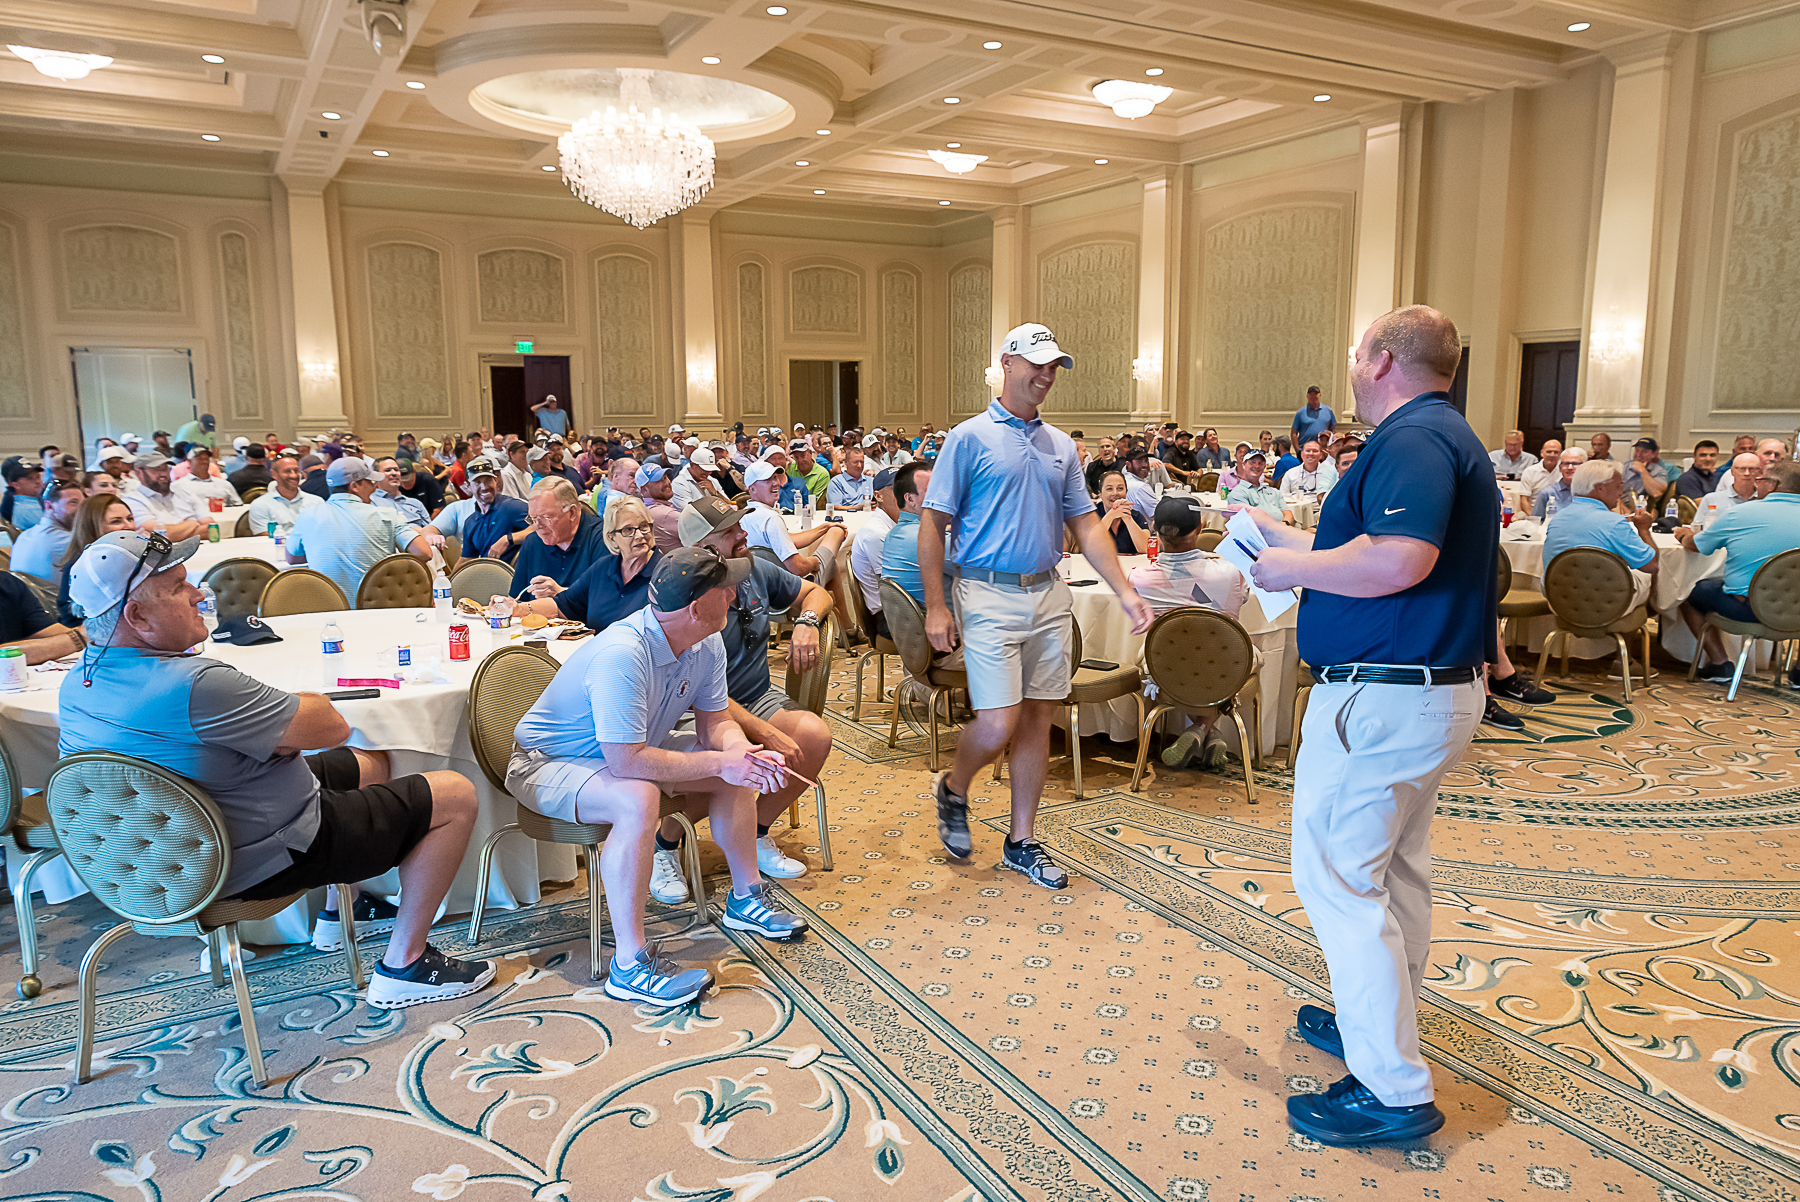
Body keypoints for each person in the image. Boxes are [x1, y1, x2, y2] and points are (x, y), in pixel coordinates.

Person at [1245, 305, 1493, 1147]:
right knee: (1395, 873)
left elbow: (1399, 558)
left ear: (1383, 360)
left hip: (1384, 696)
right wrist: (1282, 537)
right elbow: (1373, 541)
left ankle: (1391, 1087)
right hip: (1422, 689)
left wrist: (1291, 566)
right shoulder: (1441, 432)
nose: (1352, 365)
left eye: (1357, 352)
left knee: (1341, 882)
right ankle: (1376, 1022)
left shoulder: (1411, 437)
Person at [60, 530, 494, 1009]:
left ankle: (342, 911)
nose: (199, 594)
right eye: (179, 586)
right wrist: (286, 730)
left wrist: (271, 745)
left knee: (371, 761)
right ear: (137, 616)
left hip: (165, 862)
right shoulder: (196, 684)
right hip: (263, 856)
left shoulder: (78, 681)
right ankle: (405, 964)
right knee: (455, 794)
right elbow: (330, 725)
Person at [506, 547, 808, 1004]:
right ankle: (630, 965)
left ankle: (746, 898)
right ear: (695, 607)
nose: (734, 595)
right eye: (724, 589)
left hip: (626, 751)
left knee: (734, 770)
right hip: (545, 763)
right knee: (638, 797)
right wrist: (721, 762)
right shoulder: (623, 653)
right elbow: (627, 763)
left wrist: (737, 752)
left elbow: (714, 723)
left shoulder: (705, 640)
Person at [919, 322, 1153, 888]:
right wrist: (935, 605)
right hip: (986, 591)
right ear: (1007, 363)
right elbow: (932, 524)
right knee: (997, 722)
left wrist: (1125, 590)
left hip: (1048, 591)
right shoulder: (969, 438)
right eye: (1037, 365)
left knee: (1037, 720)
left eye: (1054, 368)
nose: (1046, 376)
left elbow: (1087, 525)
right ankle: (954, 786)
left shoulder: (1060, 446)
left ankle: (1021, 840)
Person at [656, 496, 836, 890]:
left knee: (813, 736)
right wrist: (764, 732)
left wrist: (806, 621)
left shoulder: (754, 568)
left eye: (740, 525)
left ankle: (756, 832)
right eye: (730, 531)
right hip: (695, 708)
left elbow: (818, 593)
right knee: (723, 762)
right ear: (702, 546)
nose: (743, 534)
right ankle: (664, 844)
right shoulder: (685, 592)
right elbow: (697, 693)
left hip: (756, 696)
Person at [1129, 495, 1253, 770]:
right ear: (1200, 527)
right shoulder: (1231, 573)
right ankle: (1206, 730)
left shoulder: (1138, 578)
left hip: (1167, 666)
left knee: (1160, 656)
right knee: (1244, 657)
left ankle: (1199, 731)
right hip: (1224, 666)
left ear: (1154, 529)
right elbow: (1245, 598)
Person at [1677, 460, 1800, 683]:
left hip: (1747, 609)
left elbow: (1698, 546)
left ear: (1773, 485)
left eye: (1760, 479)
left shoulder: (1740, 514)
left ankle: (1719, 662)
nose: (1756, 483)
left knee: (1688, 592)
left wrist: (1683, 536)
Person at [285, 457, 432, 600]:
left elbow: (292, 558)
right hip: (379, 607)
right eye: (370, 481)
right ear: (354, 486)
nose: (374, 486)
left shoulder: (308, 515)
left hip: (329, 609)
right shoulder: (386, 515)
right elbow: (424, 552)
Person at [505, 495, 662, 629]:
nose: (639, 535)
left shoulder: (665, 573)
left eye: (644, 526)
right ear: (612, 538)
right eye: (628, 530)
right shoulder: (603, 568)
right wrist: (517, 609)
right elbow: (562, 604)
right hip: (596, 650)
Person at [1543, 460, 1657, 612]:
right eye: (1618, 486)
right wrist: (1643, 529)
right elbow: (1651, 565)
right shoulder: (1614, 522)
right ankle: (1649, 620)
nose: (1620, 493)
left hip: (1560, 601)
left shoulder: (1558, 518)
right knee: (1647, 575)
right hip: (1604, 605)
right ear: (1600, 488)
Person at [737, 461, 847, 576]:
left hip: (762, 579)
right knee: (836, 531)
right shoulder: (770, 518)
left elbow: (787, 540)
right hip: (787, 582)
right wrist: (814, 562)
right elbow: (797, 568)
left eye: (775, 477)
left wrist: (824, 527)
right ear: (752, 489)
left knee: (832, 565)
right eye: (767, 480)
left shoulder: (744, 516)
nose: (776, 483)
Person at [511, 477, 609, 599]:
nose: (538, 526)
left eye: (545, 517)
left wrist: (562, 594)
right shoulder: (532, 542)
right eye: (533, 519)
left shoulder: (602, 539)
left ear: (572, 513)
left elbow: (606, 599)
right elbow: (517, 598)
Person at [424, 457, 530, 563]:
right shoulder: (470, 521)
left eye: (488, 480)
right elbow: (467, 558)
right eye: (477, 482)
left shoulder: (511, 507)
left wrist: (508, 539)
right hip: (484, 570)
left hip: (510, 571)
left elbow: (538, 528)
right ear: (467, 486)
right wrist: (454, 576)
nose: (484, 487)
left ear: (495, 481)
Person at [55, 494, 136, 625]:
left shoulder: (131, 556)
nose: (129, 526)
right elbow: (71, 615)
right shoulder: (80, 566)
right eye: (116, 521)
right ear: (92, 526)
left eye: (130, 519)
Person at [850, 468, 901, 634]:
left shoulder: (893, 525)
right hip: (889, 618)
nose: (904, 494)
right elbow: (894, 587)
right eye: (896, 489)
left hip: (898, 610)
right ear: (878, 496)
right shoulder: (876, 533)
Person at [9, 479, 83, 579]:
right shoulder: (70, 541)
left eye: (83, 504)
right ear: (49, 506)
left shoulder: (23, 536)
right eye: (73, 503)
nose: (82, 509)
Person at [124, 453, 209, 540]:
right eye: (156, 470)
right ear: (139, 473)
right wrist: (193, 523)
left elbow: (210, 526)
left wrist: (176, 533)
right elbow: (160, 535)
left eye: (165, 469)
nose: (163, 474)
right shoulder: (132, 501)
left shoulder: (183, 493)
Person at [248, 451, 323, 536]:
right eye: (287, 471)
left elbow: (324, 531)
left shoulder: (317, 502)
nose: (294, 475)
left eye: (296, 471)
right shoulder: (260, 505)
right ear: (274, 474)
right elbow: (264, 537)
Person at [1094, 469, 1150, 554]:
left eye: (1120, 488)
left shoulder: (1136, 516)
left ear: (1126, 492)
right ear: (1100, 494)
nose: (1115, 493)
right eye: (1109, 489)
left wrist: (1127, 518)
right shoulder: (1091, 515)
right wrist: (1111, 515)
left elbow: (1146, 548)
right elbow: (1089, 547)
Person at [633, 463, 683, 552]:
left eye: (665, 478)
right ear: (644, 489)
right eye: (658, 481)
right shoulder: (665, 514)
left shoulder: (645, 509)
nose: (667, 482)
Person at [1699, 452, 1761, 523]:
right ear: (1732, 472)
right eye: (1742, 469)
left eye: (1752, 469)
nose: (1747, 473)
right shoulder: (1711, 499)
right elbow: (1697, 527)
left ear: (1759, 472)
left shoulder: (1765, 499)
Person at [372, 458, 431, 527]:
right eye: (388, 470)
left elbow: (430, 530)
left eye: (396, 470)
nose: (394, 473)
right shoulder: (371, 503)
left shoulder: (416, 504)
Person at [1226, 449, 1283, 518]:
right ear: (1243, 465)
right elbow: (1248, 520)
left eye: (1260, 463)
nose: (1256, 466)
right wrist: (1277, 524)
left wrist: (1285, 522)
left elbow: (1288, 513)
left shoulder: (1275, 492)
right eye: (1252, 462)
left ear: (1264, 467)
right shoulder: (1237, 493)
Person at [1531, 446, 1586, 517]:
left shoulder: (1592, 493)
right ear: (1560, 467)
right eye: (1566, 463)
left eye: (1575, 463)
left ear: (1585, 467)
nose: (1570, 467)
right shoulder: (1547, 493)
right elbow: (1536, 520)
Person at [1622, 437, 1676, 504]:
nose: (1638, 455)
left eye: (1645, 452)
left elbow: (1656, 493)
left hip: (1642, 507)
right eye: (1637, 450)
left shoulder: (1658, 471)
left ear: (1653, 454)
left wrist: (1643, 471)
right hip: (1620, 506)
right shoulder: (1623, 467)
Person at [1, 458, 44, 530]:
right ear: (16, 485)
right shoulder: (27, 510)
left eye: (38, 476)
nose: (37, 481)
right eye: (30, 478)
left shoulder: (35, 502)